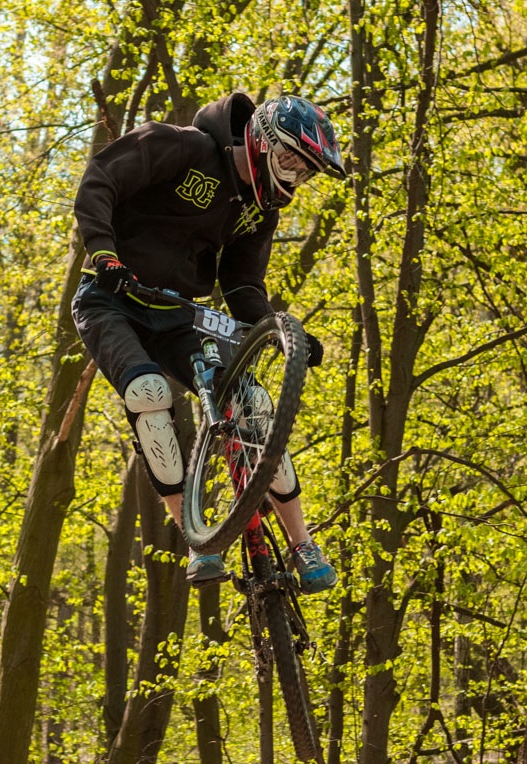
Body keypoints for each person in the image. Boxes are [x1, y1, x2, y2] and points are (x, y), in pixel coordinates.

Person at [73, 92, 345, 590]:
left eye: (305, 172)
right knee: (149, 394)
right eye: (290, 160)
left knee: (251, 402)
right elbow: (100, 179)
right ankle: (197, 541)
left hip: (178, 313)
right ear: (263, 141)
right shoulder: (181, 147)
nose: (293, 177)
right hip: (109, 298)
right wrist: (105, 254)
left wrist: (282, 332)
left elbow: (242, 285)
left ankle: (303, 542)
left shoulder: (260, 211)